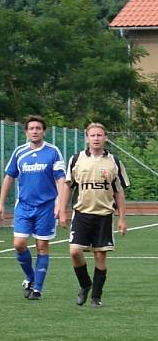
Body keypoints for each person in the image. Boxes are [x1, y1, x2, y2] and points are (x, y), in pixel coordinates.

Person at [58, 123, 129, 308]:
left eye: (100, 135)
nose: (96, 138)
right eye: (93, 135)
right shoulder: (76, 160)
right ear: (87, 137)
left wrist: (122, 218)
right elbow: (67, 185)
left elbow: (119, 192)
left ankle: (96, 297)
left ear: (105, 137)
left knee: (100, 256)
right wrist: (61, 210)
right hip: (81, 214)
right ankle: (85, 285)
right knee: (74, 251)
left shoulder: (114, 161)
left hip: (104, 215)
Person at [0, 115, 66, 300]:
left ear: (44, 131)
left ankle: (38, 289)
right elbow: (9, 177)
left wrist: (60, 203)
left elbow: (61, 178)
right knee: (19, 244)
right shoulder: (19, 152)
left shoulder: (52, 151)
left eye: (38, 128)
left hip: (46, 207)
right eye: (31, 128)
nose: (35, 131)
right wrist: (1, 203)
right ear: (26, 132)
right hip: (24, 206)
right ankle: (30, 278)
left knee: (42, 246)